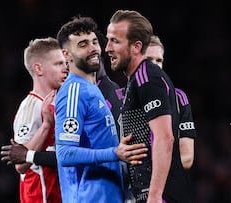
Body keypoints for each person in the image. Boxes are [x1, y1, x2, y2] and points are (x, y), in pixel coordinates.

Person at [54, 16, 148, 203]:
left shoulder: (92, 88)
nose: (93, 48)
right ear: (66, 55)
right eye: (82, 44)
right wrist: (115, 153)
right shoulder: (73, 91)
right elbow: (64, 152)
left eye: (94, 42)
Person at [105, 9, 192, 202]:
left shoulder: (148, 78)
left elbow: (164, 137)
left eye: (115, 41)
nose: (107, 48)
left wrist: (154, 196)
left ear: (136, 47)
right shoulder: (136, 80)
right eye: (108, 40)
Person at [11, 37, 68, 203]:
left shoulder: (59, 103)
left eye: (65, 63)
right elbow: (20, 165)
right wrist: (45, 127)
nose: (65, 69)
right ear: (38, 68)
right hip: (40, 196)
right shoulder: (31, 107)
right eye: (58, 64)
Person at [145, 35, 197, 170]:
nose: (155, 65)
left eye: (159, 60)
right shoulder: (122, 97)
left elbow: (187, 158)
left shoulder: (178, 98)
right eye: (149, 60)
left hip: (166, 186)